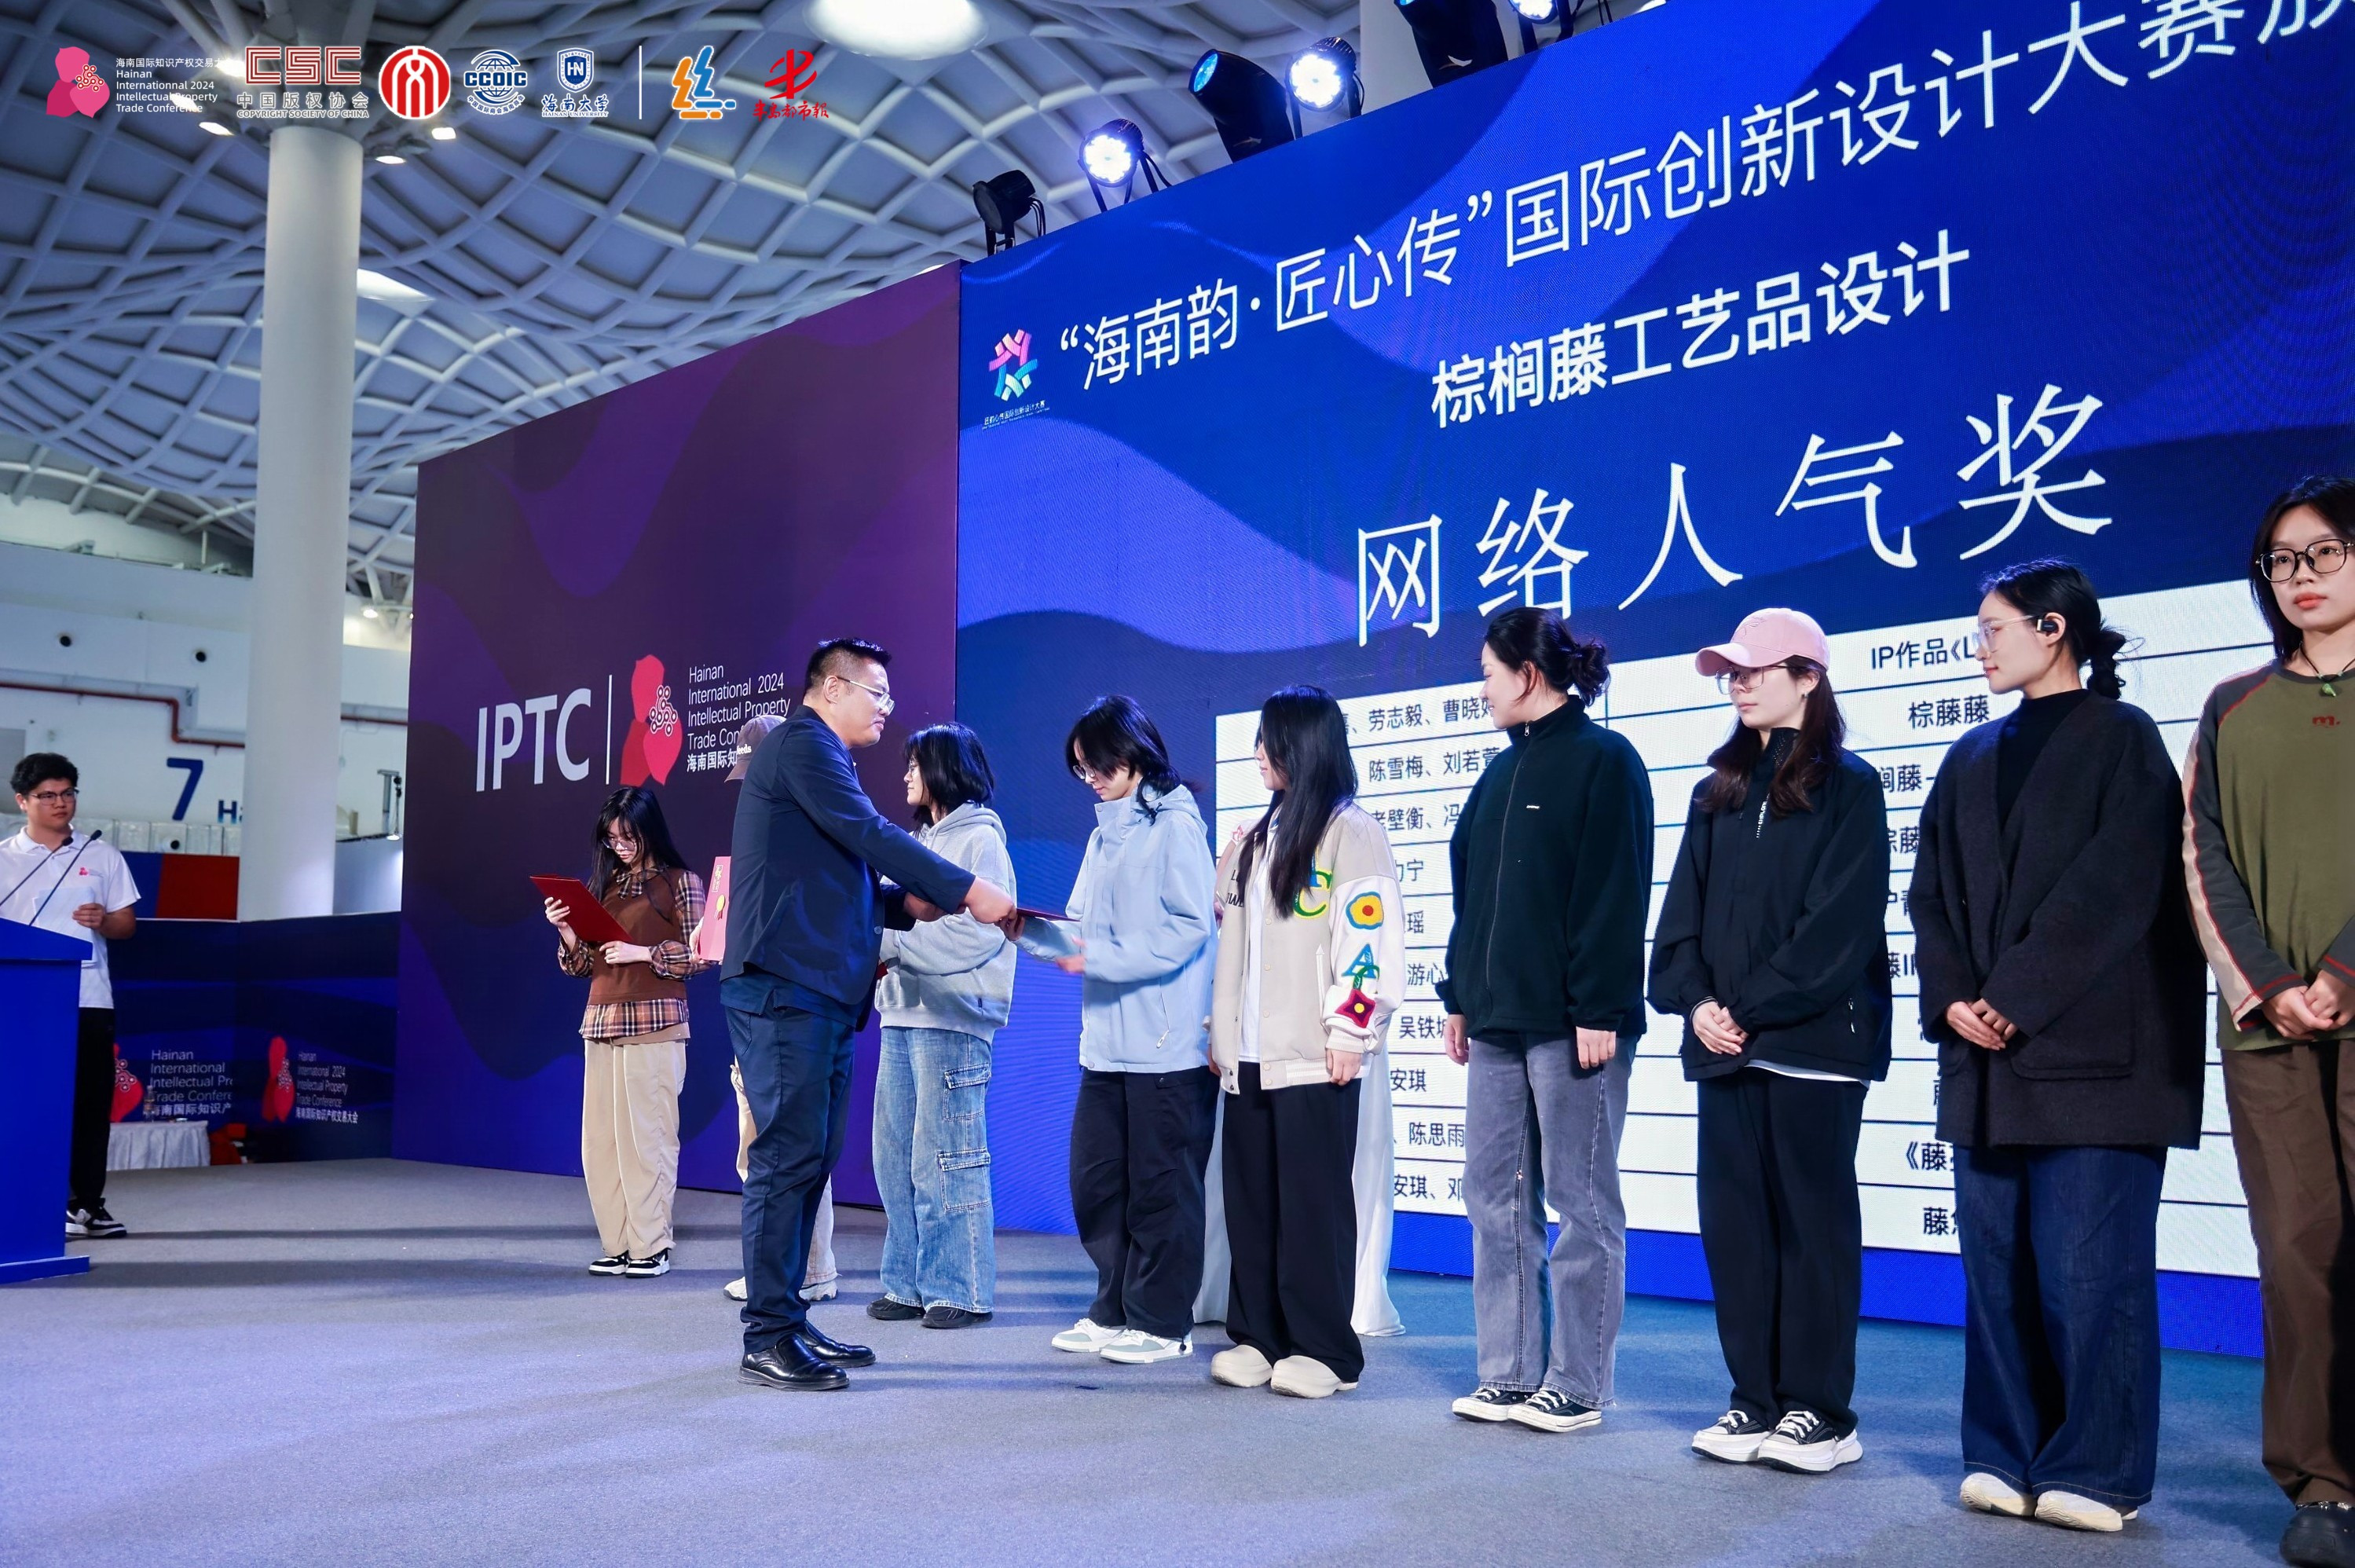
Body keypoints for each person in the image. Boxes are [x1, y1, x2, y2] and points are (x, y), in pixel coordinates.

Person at [1912, 560, 2205, 1534]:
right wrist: (1955, 998)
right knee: (1995, 1272)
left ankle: (2097, 1468)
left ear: (2052, 629)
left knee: (2090, 1274)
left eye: (1992, 628)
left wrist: (2014, 995)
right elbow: (1929, 894)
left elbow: (2118, 885)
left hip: (2096, 1062)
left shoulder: (2124, 737)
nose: (1978, 647)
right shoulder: (1968, 753)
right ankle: (2003, 1452)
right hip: (1984, 1061)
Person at [723, 638, 1015, 1393]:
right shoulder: (802, 744)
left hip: (818, 990)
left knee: (811, 1158)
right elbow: (870, 836)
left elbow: (835, 879)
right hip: (784, 986)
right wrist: (965, 890)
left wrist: (905, 906)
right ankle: (767, 1334)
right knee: (787, 1160)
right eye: (877, 694)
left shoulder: (823, 759)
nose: (888, 708)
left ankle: (789, 1318)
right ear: (833, 688)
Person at [1648, 610, 1891, 1475]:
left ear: (1809, 677)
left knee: (1811, 1229)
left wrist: (1742, 1006)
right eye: (1732, 672)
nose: (1739, 683)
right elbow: (1679, 921)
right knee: (1737, 1230)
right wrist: (1696, 1003)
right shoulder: (1715, 791)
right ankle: (1753, 1399)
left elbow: (1838, 928)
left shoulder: (1850, 787)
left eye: (1755, 669)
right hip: (1726, 1047)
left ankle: (1821, 1412)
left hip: (1813, 1047)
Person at [2185, 479, 2355, 1568]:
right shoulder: (2231, 705)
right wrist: (2269, 982)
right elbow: (2201, 855)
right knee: (2295, 1253)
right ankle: (2322, 1486)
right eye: (2281, 561)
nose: (2300, 576)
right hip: (2267, 1027)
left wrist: (2342, 970)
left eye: (2323, 552)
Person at [1438, 606, 1653, 1434]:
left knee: (1580, 1201)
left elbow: (1614, 891)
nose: (1481, 689)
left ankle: (1578, 1382)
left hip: (1574, 1024)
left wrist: (1600, 1005)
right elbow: (1471, 897)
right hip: (1496, 1021)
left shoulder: (1606, 759)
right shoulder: (1497, 774)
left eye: (1488, 674)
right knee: (1494, 1197)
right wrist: (1459, 994)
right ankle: (1509, 1371)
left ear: (1528, 674)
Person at [1204, 687, 1402, 1399]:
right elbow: (1231, 935)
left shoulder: (1351, 831)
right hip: (1249, 1056)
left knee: (1313, 1205)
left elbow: (1367, 939)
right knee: (1252, 1202)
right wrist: (1222, 1030)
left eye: (1270, 740)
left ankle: (1325, 1349)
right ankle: (1259, 1336)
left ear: (1304, 745)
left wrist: (1351, 1027)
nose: (1258, 753)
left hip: (1315, 1054)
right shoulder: (1258, 836)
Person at [1035, 695, 1218, 1366]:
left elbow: (1189, 928)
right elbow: (1081, 927)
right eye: (1081, 768)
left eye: (1098, 764)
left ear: (1134, 753)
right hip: (1106, 1045)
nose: (1090, 777)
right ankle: (1112, 1309)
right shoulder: (1101, 834)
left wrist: (1102, 958)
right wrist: (1027, 932)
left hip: (1166, 1046)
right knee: (1098, 1183)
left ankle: (1163, 1323)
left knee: (1162, 1191)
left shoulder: (1175, 825)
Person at [870, 722, 1017, 1330]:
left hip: (953, 1020)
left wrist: (892, 947)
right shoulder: (916, 842)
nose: (906, 774)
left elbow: (978, 934)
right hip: (902, 1014)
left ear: (944, 769)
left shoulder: (981, 841)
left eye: (916, 763)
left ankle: (962, 1288)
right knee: (896, 1159)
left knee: (948, 1157)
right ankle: (907, 1283)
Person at [544, 786, 709, 1278]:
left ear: (648, 830)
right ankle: (617, 1244)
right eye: (612, 839)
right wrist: (567, 931)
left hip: (654, 1024)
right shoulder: (607, 886)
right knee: (601, 1144)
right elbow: (582, 965)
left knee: (648, 1140)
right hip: (600, 1022)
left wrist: (644, 953)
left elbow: (702, 954)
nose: (619, 846)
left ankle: (651, 1245)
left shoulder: (681, 882)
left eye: (628, 837)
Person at [716, 712, 837, 1310]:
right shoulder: (755, 845)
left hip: (785, 1010)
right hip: (754, 1011)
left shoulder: (800, 844)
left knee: (785, 1153)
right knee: (767, 1151)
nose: (749, 790)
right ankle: (794, 1274)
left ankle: (801, 1274)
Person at [3, 753, 138, 1240]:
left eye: (68, 793)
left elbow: (126, 925)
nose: (61, 803)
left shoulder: (102, 855)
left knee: (88, 1105)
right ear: (22, 801)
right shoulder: (3, 857)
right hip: (19, 1002)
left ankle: (86, 1205)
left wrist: (104, 920)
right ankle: (23, 1202)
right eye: (48, 795)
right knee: (20, 1104)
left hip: (87, 997)